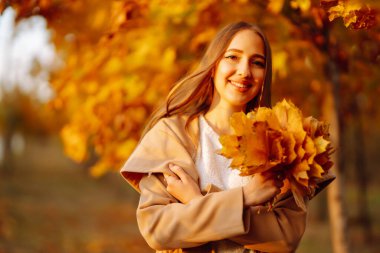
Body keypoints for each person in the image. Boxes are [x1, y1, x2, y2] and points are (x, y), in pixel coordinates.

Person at [120, 21, 333, 253]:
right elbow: (159, 229)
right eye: (233, 57)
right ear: (213, 65)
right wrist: (246, 196)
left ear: (265, 74)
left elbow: (285, 238)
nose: (244, 71)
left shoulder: (283, 144)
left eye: (257, 63)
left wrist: (196, 202)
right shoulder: (172, 134)